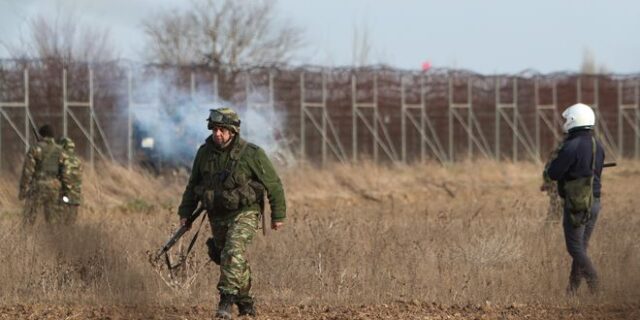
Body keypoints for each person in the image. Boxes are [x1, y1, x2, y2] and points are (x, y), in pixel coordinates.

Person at [177, 107, 286, 319]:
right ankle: (245, 303)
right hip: (217, 215)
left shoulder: (252, 154)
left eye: (222, 130)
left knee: (232, 252)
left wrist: (278, 215)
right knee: (227, 258)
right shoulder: (204, 153)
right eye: (214, 129)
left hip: (245, 212)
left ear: (233, 131)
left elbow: (273, 184)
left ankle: (225, 302)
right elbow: (193, 185)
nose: (217, 134)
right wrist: (185, 213)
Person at [545, 103, 604, 295]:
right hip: (594, 202)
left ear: (573, 120)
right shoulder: (597, 145)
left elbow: (553, 173)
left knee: (575, 247)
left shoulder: (571, 145)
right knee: (581, 248)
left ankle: (594, 281)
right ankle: (571, 292)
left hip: (577, 204)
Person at [18, 125, 66, 225]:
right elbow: (65, 172)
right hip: (54, 188)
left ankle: (27, 239)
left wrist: (23, 190)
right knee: (53, 222)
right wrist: (63, 190)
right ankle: (57, 240)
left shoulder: (35, 149)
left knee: (28, 220)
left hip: (38, 187)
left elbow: (27, 171)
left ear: (41, 135)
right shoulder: (60, 150)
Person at [59, 137, 83, 224]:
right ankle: (71, 234)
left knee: (62, 218)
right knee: (72, 218)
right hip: (76, 192)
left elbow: (61, 174)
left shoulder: (62, 158)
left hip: (65, 192)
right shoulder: (78, 160)